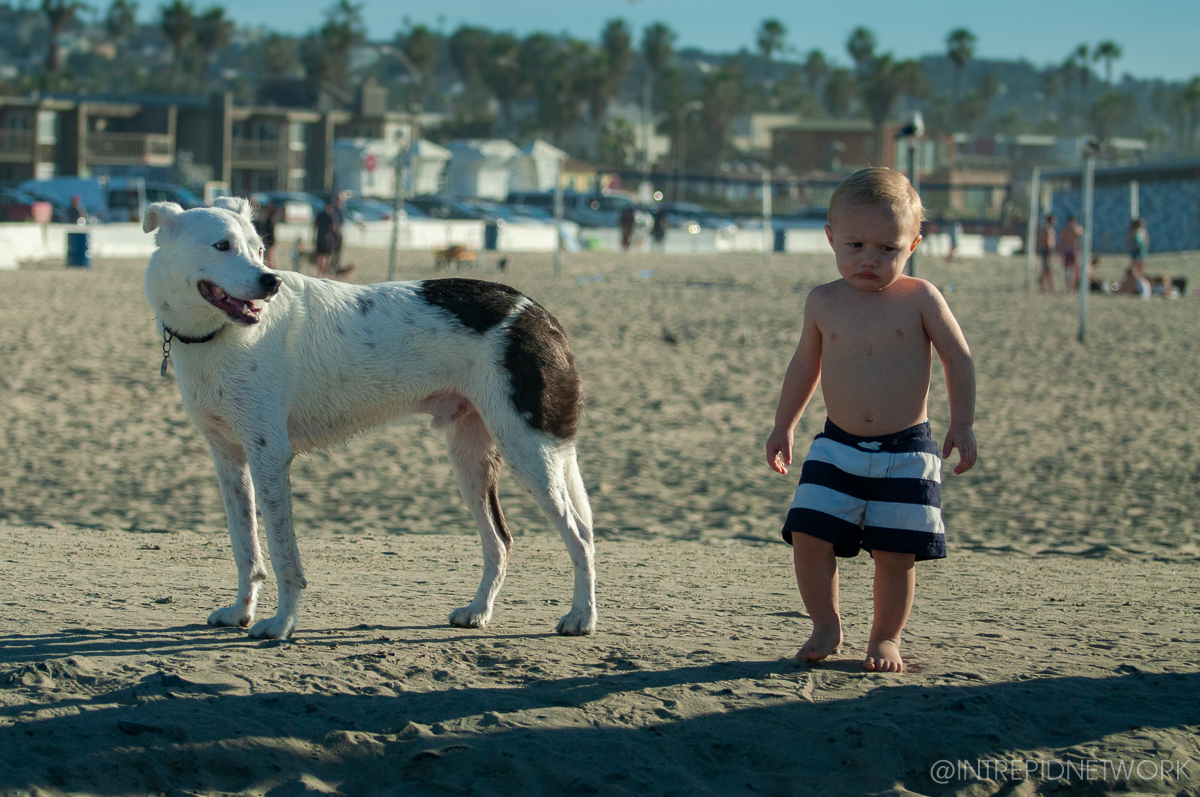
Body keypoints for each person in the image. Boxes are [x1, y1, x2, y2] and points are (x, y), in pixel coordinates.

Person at [764, 167, 977, 674]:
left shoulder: (921, 297)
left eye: (888, 249)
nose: (870, 259)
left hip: (907, 451)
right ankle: (825, 624)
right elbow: (804, 366)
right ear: (831, 238)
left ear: (914, 245)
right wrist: (783, 424)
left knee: (894, 553)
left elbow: (958, 357)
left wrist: (962, 423)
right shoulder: (823, 300)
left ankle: (885, 638)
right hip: (836, 446)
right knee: (809, 536)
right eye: (856, 244)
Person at [314, 197, 337, 277]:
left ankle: (319, 273)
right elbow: (333, 228)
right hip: (327, 239)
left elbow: (315, 226)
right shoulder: (330, 216)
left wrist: (313, 237)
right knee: (326, 258)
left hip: (319, 237)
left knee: (319, 257)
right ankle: (324, 274)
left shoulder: (319, 214)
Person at [1059, 215, 1083, 293]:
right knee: (1070, 270)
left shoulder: (1066, 229)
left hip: (1069, 250)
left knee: (1073, 270)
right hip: (1071, 250)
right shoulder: (1075, 229)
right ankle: (1071, 287)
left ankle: (1072, 287)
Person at [253, 202, 278, 268]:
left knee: (270, 256)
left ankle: (271, 268)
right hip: (268, 240)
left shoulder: (269, 218)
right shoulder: (267, 218)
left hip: (269, 240)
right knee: (269, 257)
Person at [1036, 213, 1057, 293]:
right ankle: (1050, 287)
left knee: (1044, 270)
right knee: (1048, 270)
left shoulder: (1046, 229)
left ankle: (1042, 287)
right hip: (1047, 251)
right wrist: (1051, 252)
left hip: (1045, 250)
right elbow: (1048, 242)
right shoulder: (1048, 229)